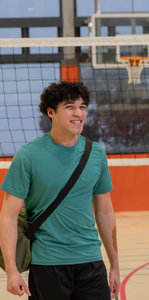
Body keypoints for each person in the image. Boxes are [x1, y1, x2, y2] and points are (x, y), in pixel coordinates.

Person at [0, 81, 120, 299]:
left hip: (91, 262)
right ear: (50, 112)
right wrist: (11, 270)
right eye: (69, 107)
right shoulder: (28, 155)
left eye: (82, 107)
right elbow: (7, 216)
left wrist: (114, 265)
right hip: (47, 265)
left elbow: (105, 212)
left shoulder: (96, 154)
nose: (78, 113)